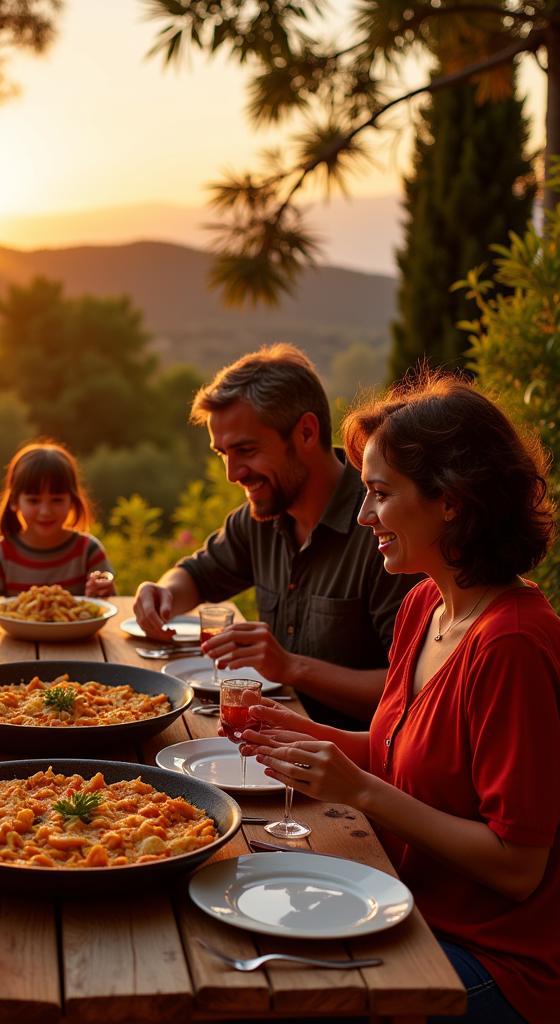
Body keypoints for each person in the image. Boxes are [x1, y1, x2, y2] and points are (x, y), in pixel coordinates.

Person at [239, 374, 559, 1023]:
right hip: (398, 903)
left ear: (451, 502)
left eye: (380, 495)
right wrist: (299, 735)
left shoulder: (513, 646)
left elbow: (518, 865)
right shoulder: (425, 604)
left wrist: (357, 790)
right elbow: (403, 753)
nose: (362, 517)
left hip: (489, 960)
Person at [133, 344, 418, 726]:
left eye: (245, 450)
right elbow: (197, 575)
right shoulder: (260, 519)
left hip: (350, 768)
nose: (233, 473)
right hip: (273, 742)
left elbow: (410, 694)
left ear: (305, 431)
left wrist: (291, 667)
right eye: (223, 454)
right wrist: (164, 592)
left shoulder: (384, 530)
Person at [0, 440, 115, 597]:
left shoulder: (89, 551)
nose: (45, 511)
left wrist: (101, 593)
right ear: (14, 501)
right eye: (33, 500)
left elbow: (108, 604)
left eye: (57, 500)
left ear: (72, 502)